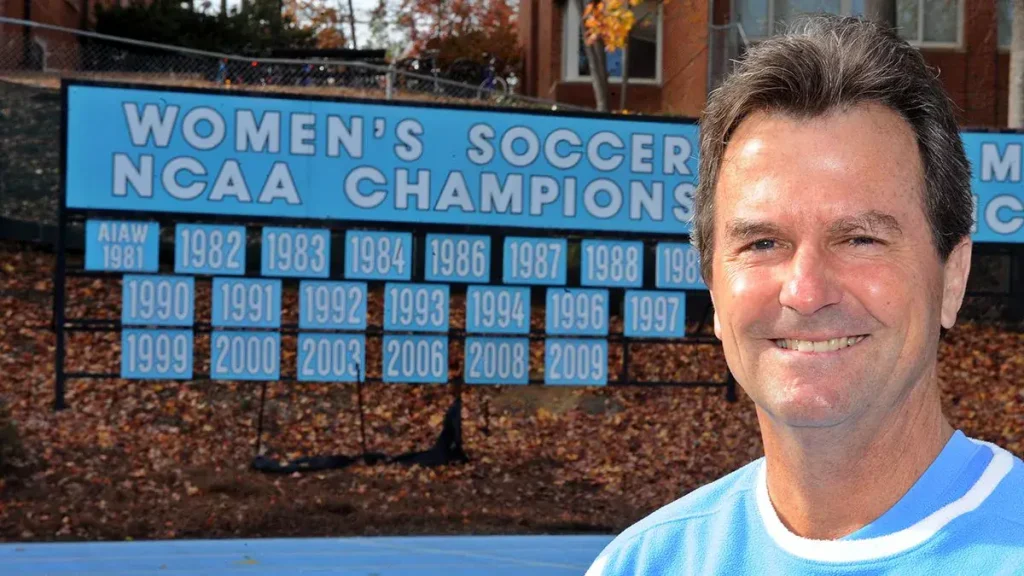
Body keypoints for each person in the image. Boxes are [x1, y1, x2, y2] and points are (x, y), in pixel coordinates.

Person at [586, 14, 1024, 576]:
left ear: (953, 278)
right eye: (764, 242)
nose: (806, 291)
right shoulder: (643, 564)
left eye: (860, 238)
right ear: (714, 289)